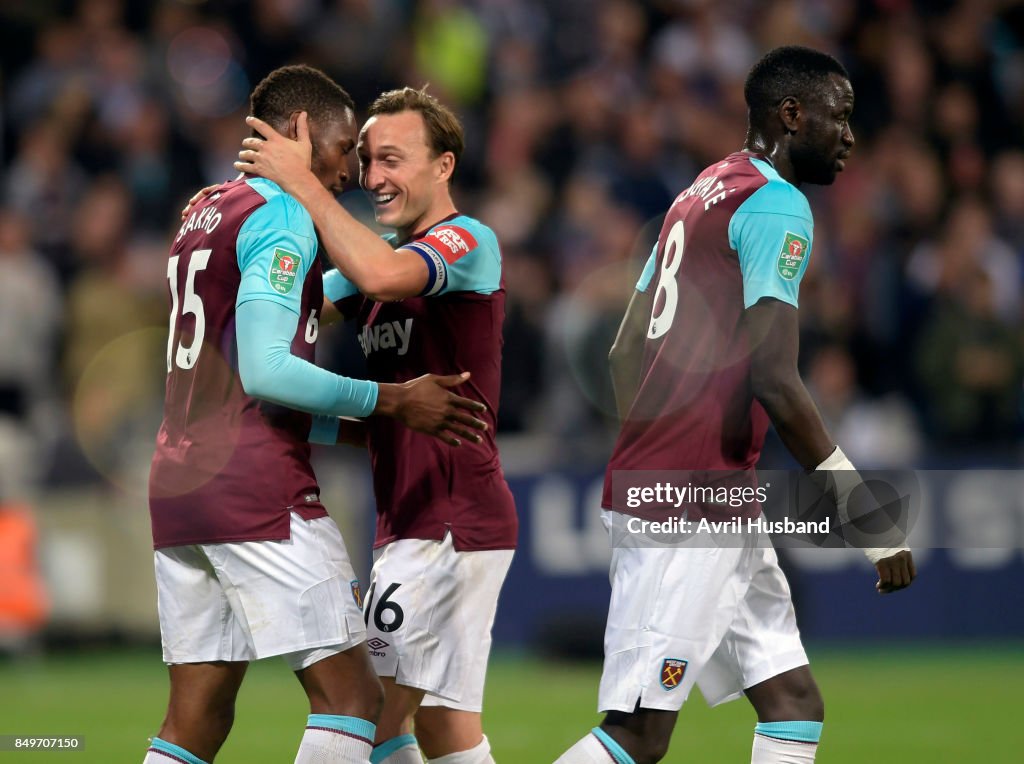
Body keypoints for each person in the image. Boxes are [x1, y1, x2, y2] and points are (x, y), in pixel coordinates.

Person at [555, 46, 916, 764]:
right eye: (838, 117)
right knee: (636, 735)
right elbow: (775, 379)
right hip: (690, 503)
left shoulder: (698, 192)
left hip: (708, 493)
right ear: (791, 114)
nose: (849, 134)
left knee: (792, 702)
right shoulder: (778, 204)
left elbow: (624, 353)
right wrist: (870, 521)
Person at [146, 66, 487, 764]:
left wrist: (359, 425)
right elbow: (267, 371)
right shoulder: (281, 214)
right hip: (256, 493)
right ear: (299, 133)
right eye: (342, 151)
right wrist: (389, 398)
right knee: (355, 701)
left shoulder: (207, 209)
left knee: (196, 721)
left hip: (180, 488)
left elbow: (235, 382)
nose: (349, 175)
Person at [233, 87, 516, 764]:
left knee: (369, 714)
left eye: (391, 158)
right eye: (364, 160)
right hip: (419, 518)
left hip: (448, 524)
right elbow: (293, 310)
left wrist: (302, 183)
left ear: (444, 166)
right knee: (442, 731)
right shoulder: (369, 258)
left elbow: (386, 275)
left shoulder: (465, 240)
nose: (372, 177)